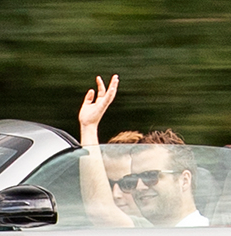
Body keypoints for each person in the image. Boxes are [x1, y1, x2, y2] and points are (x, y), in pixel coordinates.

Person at [73, 75, 202, 227]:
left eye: (150, 176)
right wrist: (88, 128)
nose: (139, 187)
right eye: (133, 180)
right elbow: (100, 209)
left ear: (184, 180)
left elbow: (103, 213)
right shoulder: (147, 232)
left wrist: (89, 128)